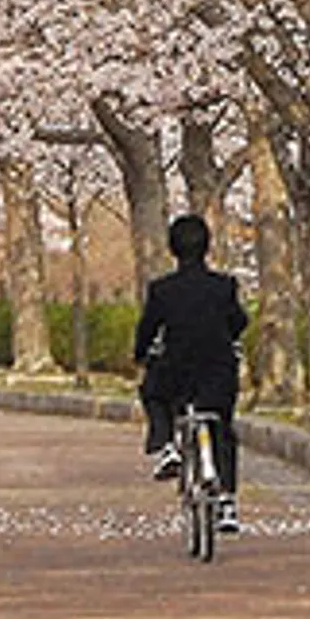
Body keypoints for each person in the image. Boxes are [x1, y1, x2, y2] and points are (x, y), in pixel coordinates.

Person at [135, 211, 246, 531]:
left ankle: (166, 445)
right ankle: (227, 502)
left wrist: (139, 354)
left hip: (176, 371)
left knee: (152, 392)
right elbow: (238, 321)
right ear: (207, 247)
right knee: (222, 428)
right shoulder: (224, 286)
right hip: (218, 371)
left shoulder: (162, 290)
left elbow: (147, 328)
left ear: (172, 248)